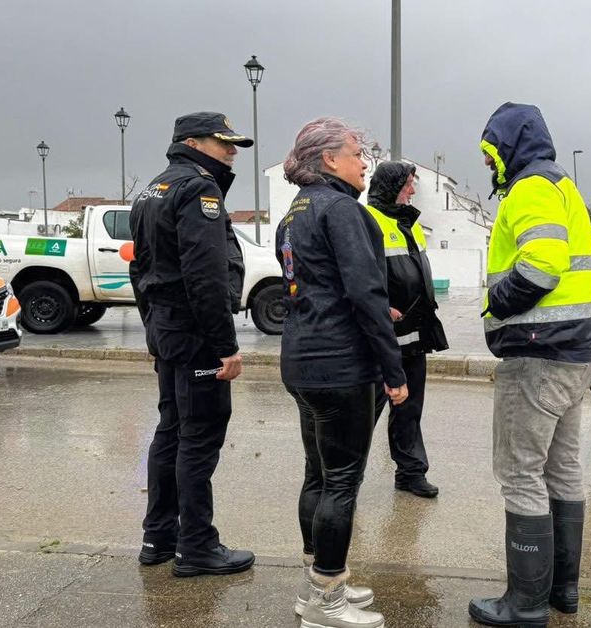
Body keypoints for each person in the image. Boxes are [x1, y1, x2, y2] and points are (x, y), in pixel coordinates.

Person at [469, 102, 591, 627]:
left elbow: (541, 264)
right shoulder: (563, 187)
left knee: (520, 473)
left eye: (490, 153)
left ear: (508, 146)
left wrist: (495, 303)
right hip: (576, 353)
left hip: (537, 354)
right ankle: (562, 591)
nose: (487, 165)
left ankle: (523, 604)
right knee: (562, 470)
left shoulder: (529, 188)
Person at [277, 117, 409, 628]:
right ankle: (324, 603)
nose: (364, 162)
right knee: (342, 484)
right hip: (341, 365)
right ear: (329, 159)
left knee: (319, 474)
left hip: (303, 359)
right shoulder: (341, 209)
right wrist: (392, 369)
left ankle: (320, 584)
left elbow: (313, 286)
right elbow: (364, 292)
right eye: (356, 152)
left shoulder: (295, 212)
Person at [128, 111, 254, 577]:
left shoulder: (152, 188)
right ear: (194, 142)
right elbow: (206, 276)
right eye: (224, 143)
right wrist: (226, 346)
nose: (232, 152)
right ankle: (197, 546)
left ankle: (159, 537)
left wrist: (152, 329)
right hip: (195, 332)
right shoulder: (199, 189)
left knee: (171, 430)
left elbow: (139, 270)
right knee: (198, 437)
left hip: (167, 327)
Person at [365, 161, 450, 499]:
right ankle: (344, 480)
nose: (413, 191)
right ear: (392, 186)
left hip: (414, 335)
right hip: (380, 339)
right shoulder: (368, 221)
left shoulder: (409, 223)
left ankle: (411, 472)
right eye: (408, 185)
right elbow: (359, 278)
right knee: (364, 414)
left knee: (410, 409)